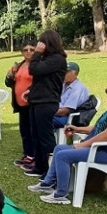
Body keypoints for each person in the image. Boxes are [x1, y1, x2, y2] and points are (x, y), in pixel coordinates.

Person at [29, 79, 107, 204]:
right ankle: (47, 184)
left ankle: (60, 194)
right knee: (59, 148)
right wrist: (77, 129)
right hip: (99, 148)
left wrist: (83, 145)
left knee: (63, 156)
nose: (106, 93)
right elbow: (99, 129)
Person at [22, 30, 67, 178]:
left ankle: (51, 171)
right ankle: (39, 166)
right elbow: (42, 79)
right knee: (36, 135)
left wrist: (37, 54)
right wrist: (31, 91)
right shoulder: (48, 59)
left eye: (41, 43)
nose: (38, 46)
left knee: (45, 137)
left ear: (48, 44)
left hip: (47, 102)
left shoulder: (57, 59)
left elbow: (34, 69)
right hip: (38, 100)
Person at [6, 42, 36, 167]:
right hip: (20, 104)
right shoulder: (20, 65)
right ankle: (28, 155)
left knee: (33, 130)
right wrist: (9, 77)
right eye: (25, 50)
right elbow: (9, 83)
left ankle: (35, 157)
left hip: (33, 103)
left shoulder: (38, 66)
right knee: (24, 131)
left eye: (31, 49)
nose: (28, 52)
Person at [53, 62, 90, 129]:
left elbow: (64, 111)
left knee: (41, 118)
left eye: (67, 72)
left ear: (76, 74)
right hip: (58, 114)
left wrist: (47, 111)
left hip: (66, 118)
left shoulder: (77, 89)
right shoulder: (64, 85)